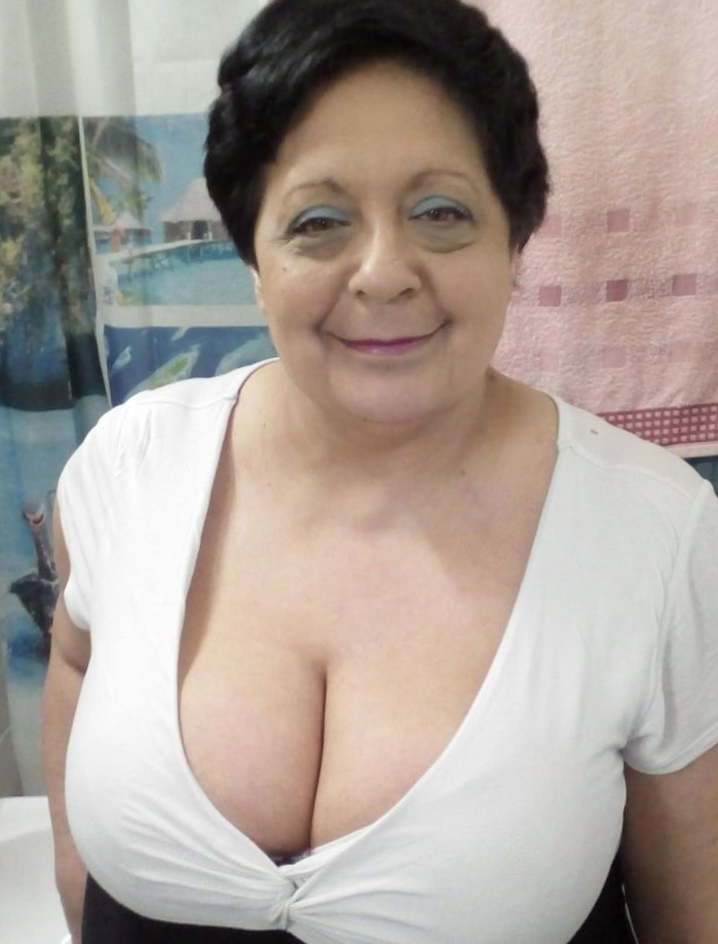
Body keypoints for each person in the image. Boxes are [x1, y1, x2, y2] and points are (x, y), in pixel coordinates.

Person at [42, 0, 718, 941]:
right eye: (318, 221)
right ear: (252, 256)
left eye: (441, 213)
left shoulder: (654, 531)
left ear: (515, 240)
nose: (383, 272)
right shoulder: (128, 465)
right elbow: (76, 660)